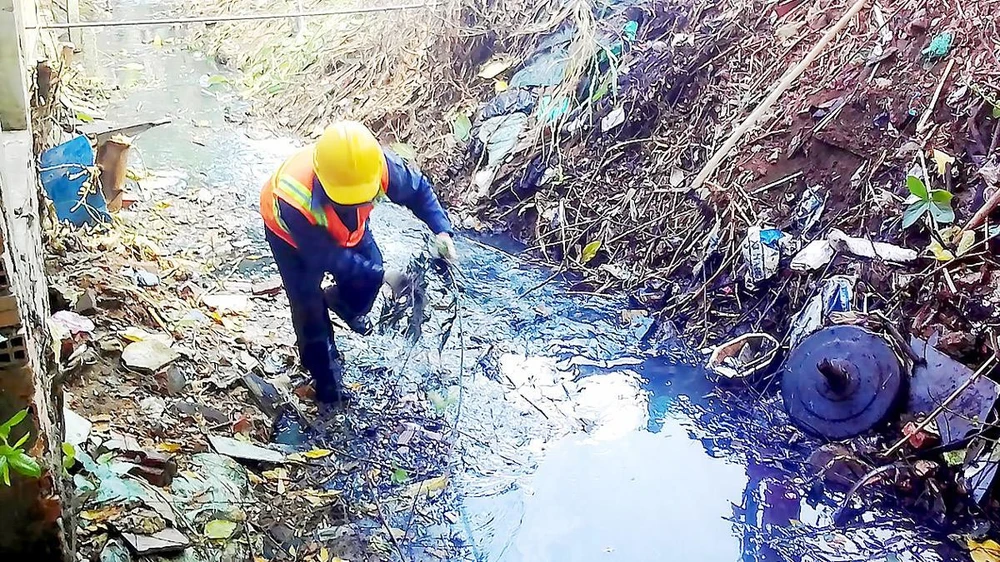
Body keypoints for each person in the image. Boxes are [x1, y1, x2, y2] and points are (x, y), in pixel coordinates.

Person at [259, 121, 457, 404]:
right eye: (346, 201)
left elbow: (418, 191)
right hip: (290, 238)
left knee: (367, 275)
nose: (355, 204)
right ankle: (326, 381)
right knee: (308, 305)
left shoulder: (374, 166)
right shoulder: (294, 199)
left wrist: (442, 230)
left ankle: (340, 302)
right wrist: (384, 275)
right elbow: (328, 258)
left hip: (350, 230)